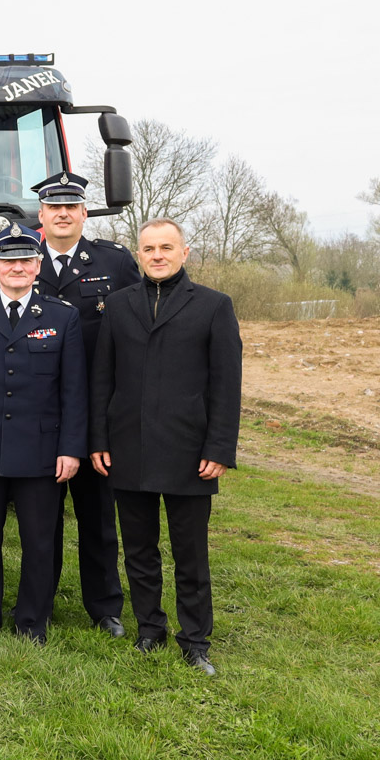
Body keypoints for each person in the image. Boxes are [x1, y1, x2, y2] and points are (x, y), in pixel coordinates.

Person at [90, 219, 242, 676]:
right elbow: (103, 378)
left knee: (190, 552)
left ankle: (195, 640)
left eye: (166, 247)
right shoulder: (117, 306)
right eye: (148, 248)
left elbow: (226, 384)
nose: (157, 255)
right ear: (138, 254)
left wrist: (219, 447)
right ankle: (149, 629)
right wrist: (98, 439)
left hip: (189, 451)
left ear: (184, 252)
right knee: (138, 549)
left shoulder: (214, 306)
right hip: (128, 448)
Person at [0, 225, 86, 643]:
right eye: (9, 261)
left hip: (42, 449)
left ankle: (31, 622)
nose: (18, 267)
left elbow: (74, 391)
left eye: (26, 260)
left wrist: (71, 448)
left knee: (39, 542)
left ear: (38, 265)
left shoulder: (63, 316)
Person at [33, 172, 138, 637]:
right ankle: (40, 601)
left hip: (97, 411)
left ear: (84, 213)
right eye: (53, 207)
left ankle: (105, 606)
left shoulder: (113, 263)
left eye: (71, 207)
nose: (62, 214)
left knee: (97, 516)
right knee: (41, 519)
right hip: (37, 413)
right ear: (41, 215)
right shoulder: (19, 261)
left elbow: (135, 334)